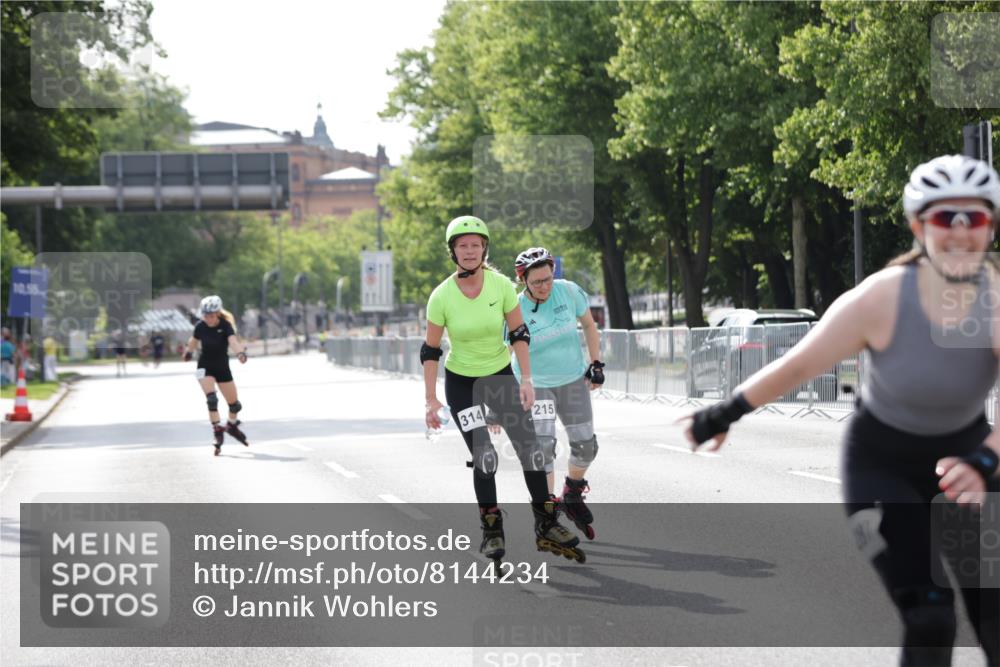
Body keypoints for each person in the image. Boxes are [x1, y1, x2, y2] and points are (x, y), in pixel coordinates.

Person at [682, 155, 1000, 666]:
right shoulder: (881, 298)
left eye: (975, 219)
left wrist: (985, 462)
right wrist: (724, 413)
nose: (961, 233)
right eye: (945, 219)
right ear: (919, 225)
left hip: (970, 461)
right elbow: (798, 365)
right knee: (930, 617)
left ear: (992, 226)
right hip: (882, 465)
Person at [422, 216, 584, 563]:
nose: (469, 251)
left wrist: (526, 380)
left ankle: (546, 523)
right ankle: (491, 529)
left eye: (475, 245)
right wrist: (430, 400)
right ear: (453, 251)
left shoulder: (500, 287)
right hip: (463, 384)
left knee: (532, 451)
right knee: (485, 457)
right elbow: (431, 351)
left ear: (484, 249)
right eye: (462, 245)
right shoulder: (441, 296)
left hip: (500, 379)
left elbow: (519, 334)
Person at [505, 247, 605, 539]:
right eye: (537, 282)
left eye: (548, 279)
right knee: (544, 447)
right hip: (537, 386)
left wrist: (596, 363)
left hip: (572, 380)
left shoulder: (568, 291)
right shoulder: (515, 308)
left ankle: (572, 493)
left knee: (587, 446)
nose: (545, 286)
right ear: (523, 280)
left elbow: (588, 324)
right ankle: (547, 515)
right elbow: (505, 351)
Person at [182, 295, 250, 456]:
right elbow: (193, 341)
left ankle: (232, 425)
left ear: (218, 314)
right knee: (211, 399)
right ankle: (217, 430)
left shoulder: (226, 326)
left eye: (212, 316)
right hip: (205, 366)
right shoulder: (200, 326)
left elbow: (233, 341)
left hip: (222, 367)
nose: (209, 319)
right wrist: (188, 352)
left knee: (235, 405)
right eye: (206, 316)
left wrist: (240, 353)